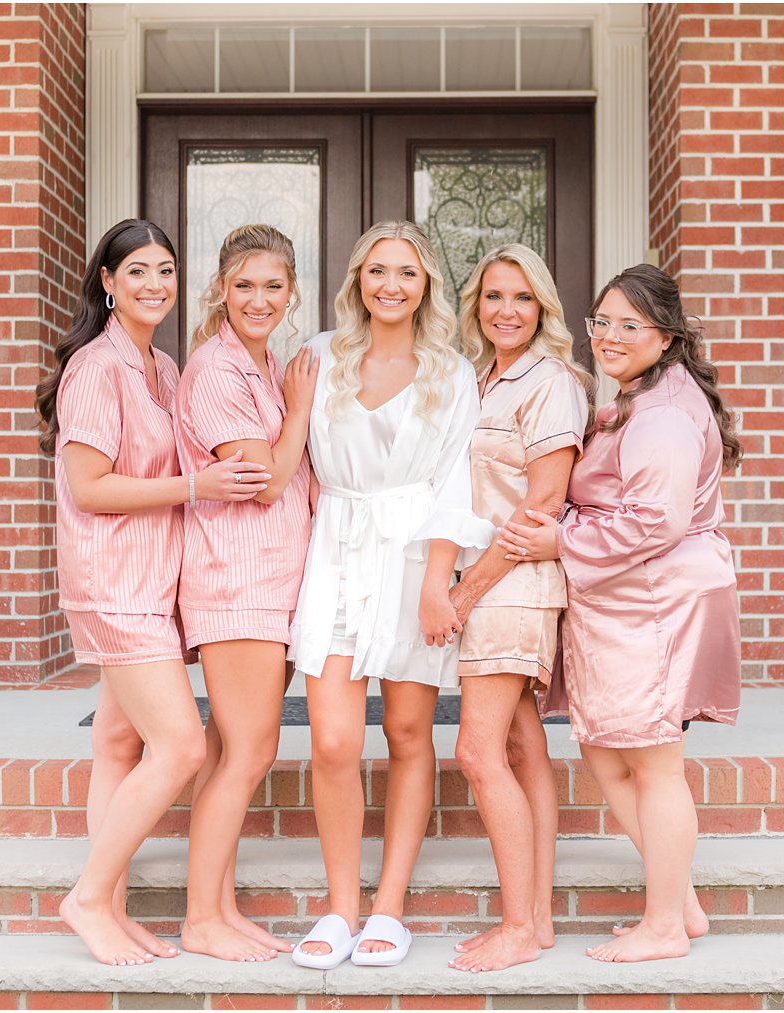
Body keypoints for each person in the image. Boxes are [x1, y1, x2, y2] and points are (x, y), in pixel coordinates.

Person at [35, 218, 271, 966]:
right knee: (180, 745)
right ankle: (86, 898)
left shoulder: (162, 368)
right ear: (107, 282)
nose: (154, 285)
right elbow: (89, 486)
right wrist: (196, 485)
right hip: (113, 583)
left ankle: (112, 905)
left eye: (165, 271)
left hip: (154, 579)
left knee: (115, 742)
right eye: (136, 271)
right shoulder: (97, 368)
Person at [500, 263, 743, 963]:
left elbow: (655, 521)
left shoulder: (663, 411)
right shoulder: (638, 396)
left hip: (654, 603)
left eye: (628, 325)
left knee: (656, 764)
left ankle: (663, 923)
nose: (608, 335)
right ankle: (683, 901)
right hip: (625, 603)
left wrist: (559, 537)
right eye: (600, 320)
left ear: (665, 336)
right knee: (606, 752)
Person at [288, 221, 494, 969]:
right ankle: (342, 905)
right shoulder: (317, 357)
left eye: (406, 273)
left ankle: (388, 907)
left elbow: (455, 484)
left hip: (413, 558)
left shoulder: (451, 371)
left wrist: (442, 582)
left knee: (408, 732)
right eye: (378, 271)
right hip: (337, 550)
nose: (391, 286)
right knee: (335, 740)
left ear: (427, 284)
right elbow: (293, 459)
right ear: (357, 280)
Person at [445, 245, 592, 972]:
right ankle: (535, 920)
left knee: (476, 750)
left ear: (543, 309)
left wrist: (466, 591)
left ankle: (514, 927)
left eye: (523, 298)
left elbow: (542, 507)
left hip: (514, 585)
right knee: (521, 743)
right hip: (486, 580)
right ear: (478, 304)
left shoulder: (553, 383)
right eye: (495, 296)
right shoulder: (478, 380)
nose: (507, 310)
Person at [176, 224, 318, 962]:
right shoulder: (218, 370)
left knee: (231, 750)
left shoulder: (262, 365)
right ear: (221, 291)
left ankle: (220, 906)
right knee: (251, 752)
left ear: (292, 291)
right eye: (244, 285)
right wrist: (299, 411)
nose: (258, 298)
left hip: (275, 583)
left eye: (272, 285)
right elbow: (263, 483)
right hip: (237, 584)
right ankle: (202, 919)